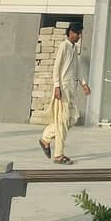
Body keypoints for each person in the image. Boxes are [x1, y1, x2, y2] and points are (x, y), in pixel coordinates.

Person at [39, 23, 90, 165]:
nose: (79, 36)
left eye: (80, 33)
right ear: (70, 33)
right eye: (77, 33)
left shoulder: (74, 48)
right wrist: (57, 86)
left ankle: (46, 138)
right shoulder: (64, 46)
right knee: (62, 122)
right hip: (62, 90)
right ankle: (59, 155)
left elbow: (77, 69)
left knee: (72, 118)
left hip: (71, 90)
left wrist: (84, 84)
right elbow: (56, 68)